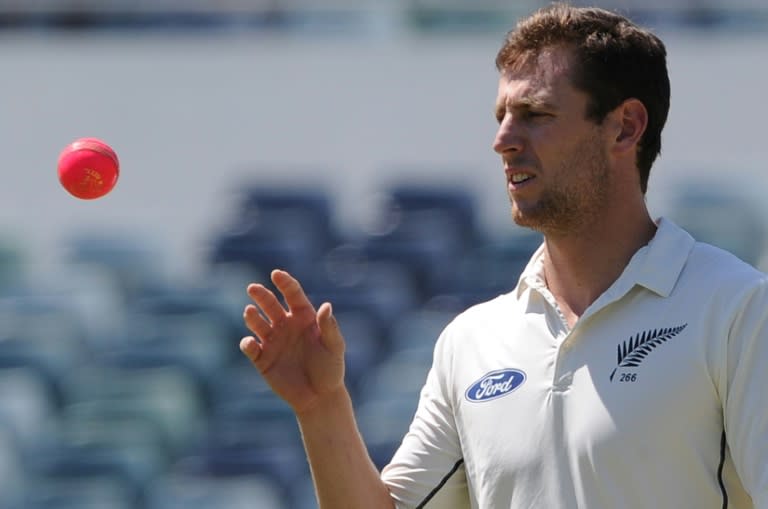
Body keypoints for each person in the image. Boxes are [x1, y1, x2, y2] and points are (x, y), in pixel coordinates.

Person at [240, 3, 768, 508]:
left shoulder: (737, 311)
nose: (502, 140)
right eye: (502, 115)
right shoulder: (470, 342)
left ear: (625, 127)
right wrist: (320, 407)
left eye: (535, 113)